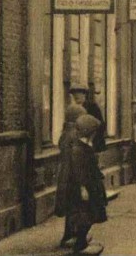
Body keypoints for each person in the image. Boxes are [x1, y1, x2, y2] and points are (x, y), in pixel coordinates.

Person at [67, 114, 108, 255]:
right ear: (89, 132)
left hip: (92, 185)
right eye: (94, 132)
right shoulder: (78, 149)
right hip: (86, 187)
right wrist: (83, 188)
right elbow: (79, 171)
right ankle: (80, 245)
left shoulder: (84, 146)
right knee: (86, 215)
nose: (95, 134)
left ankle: (82, 241)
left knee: (91, 214)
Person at [55, 104, 88, 249]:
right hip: (74, 176)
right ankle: (74, 236)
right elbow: (76, 159)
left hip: (65, 176)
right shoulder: (75, 136)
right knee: (78, 206)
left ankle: (68, 235)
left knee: (70, 206)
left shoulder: (64, 134)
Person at [69, 85, 106, 153]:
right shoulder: (73, 109)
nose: (76, 96)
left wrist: (90, 140)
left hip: (93, 143)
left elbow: (101, 125)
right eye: (74, 94)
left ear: (84, 94)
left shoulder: (92, 107)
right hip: (78, 145)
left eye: (79, 93)